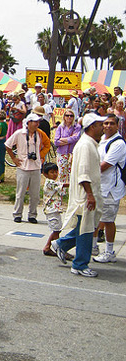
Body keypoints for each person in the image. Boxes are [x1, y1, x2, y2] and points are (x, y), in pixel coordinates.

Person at [50, 112, 106, 277]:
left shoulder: (90, 144)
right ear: (92, 127)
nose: (103, 127)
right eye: (100, 125)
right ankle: (80, 264)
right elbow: (83, 174)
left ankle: (61, 244)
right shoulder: (85, 146)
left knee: (86, 227)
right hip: (85, 196)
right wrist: (89, 194)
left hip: (90, 194)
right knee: (86, 230)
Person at [91, 114, 126, 263]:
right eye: (105, 123)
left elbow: (105, 166)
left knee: (108, 220)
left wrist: (86, 173)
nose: (108, 126)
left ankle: (110, 251)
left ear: (117, 126)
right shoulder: (102, 141)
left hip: (111, 189)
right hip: (100, 186)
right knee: (95, 219)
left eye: (111, 123)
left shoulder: (118, 143)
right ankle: (93, 247)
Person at [5, 113, 48, 224]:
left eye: (38, 122)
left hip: (36, 166)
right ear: (28, 123)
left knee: (35, 194)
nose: (37, 124)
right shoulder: (19, 133)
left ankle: (32, 214)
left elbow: (47, 144)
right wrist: (13, 158)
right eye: (35, 122)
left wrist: (41, 156)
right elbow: (8, 145)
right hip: (23, 166)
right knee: (21, 192)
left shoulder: (39, 134)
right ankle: (17, 214)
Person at [41, 162, 66, 256]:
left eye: (56, 172)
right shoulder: (49, 182)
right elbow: (62, 185)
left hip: (55, 209)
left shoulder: (54, 182)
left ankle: (47, 247)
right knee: (56, 230)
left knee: (57, 229)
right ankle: (60, 249)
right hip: (51, 210)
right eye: (52, 172)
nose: (55, 174)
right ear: (45, 174)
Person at [54, 109, 82, 186]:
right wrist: (70, 139)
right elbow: (56, 141)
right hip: (62, 153)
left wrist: (63, 140)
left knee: (72, 173)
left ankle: (71, 190)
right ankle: (61, 190)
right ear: (64, 117)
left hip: (72, 153)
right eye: (67, 115)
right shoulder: (60, 127)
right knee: (62, 172)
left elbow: (76, 138)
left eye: (71, 115)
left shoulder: (77, 127)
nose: (69, 117)